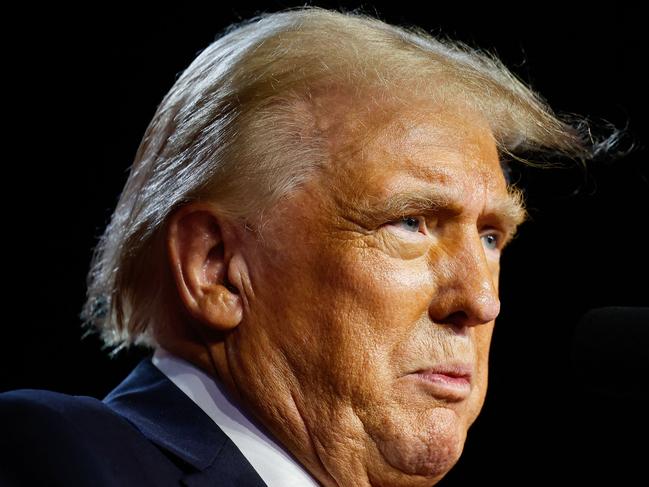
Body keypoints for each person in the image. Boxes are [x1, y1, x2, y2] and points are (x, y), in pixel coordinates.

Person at [0, 7, 603, 486]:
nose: (480, 299)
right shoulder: (55, 456)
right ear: (215, 268)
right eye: (411, 222)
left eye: (492, 236)